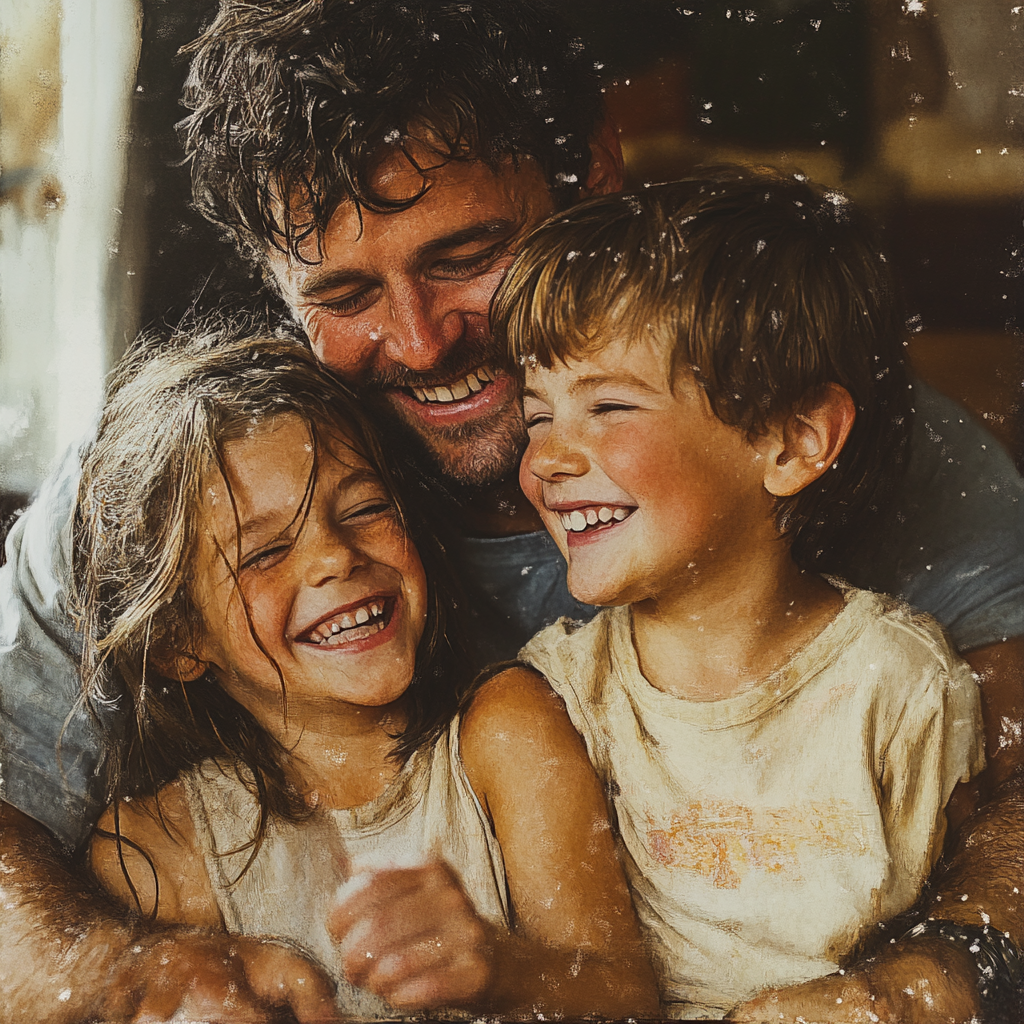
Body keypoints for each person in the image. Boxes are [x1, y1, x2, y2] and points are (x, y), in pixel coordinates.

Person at [0, 1, 1021, 1020]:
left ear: (591, 168)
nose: (419, 340)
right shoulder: (162, 494)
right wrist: (104, 970)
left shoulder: (799, 420)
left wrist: (936, 974)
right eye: (344, 295)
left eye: (463, 257)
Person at [492, 170, 992, 1019]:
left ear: (793, 442)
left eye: (608, 404)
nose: (548, 458)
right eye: (538, 416)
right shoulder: (557, 702)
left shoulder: (901, 685)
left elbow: (948, 957)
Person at [77, 327, 657, 1019]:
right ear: (179, 638)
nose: (334, 558)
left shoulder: (507, 734)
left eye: (364, 509)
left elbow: (630, 1000)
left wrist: (505, 968)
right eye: (265, 552)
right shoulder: (154, 854)